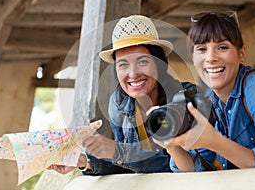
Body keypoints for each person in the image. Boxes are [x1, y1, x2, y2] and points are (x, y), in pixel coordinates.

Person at [49, 15, 196, 175]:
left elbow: (177, 164)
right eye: (123, 65)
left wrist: (119, 151)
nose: (133, 74)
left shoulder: (187, 98)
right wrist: (85, 161)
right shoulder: (119, 104)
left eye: (143, 62)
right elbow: (126, 165)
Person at [157, 11, 255, 172]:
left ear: (241, 53)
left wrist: (214, 141)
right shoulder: (209, 100)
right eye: (202, 49)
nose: (210, 58)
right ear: (192, 57)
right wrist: (171, 144)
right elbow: (196, 169)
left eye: (222, 47)